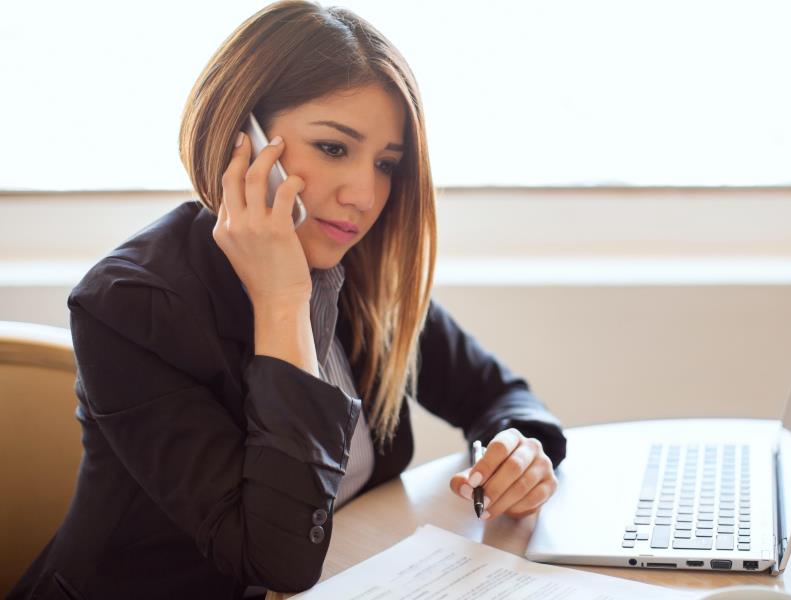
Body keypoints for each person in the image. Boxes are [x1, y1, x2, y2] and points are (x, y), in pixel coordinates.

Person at [10, 2, 566, 599]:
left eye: (385, 164)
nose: (364, 195)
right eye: (332, 148)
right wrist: (282, 303)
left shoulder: (358, 271)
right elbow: (274, 557)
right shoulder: (129, 305)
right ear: (240, 139)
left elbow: (499, 392)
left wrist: (517, 450)